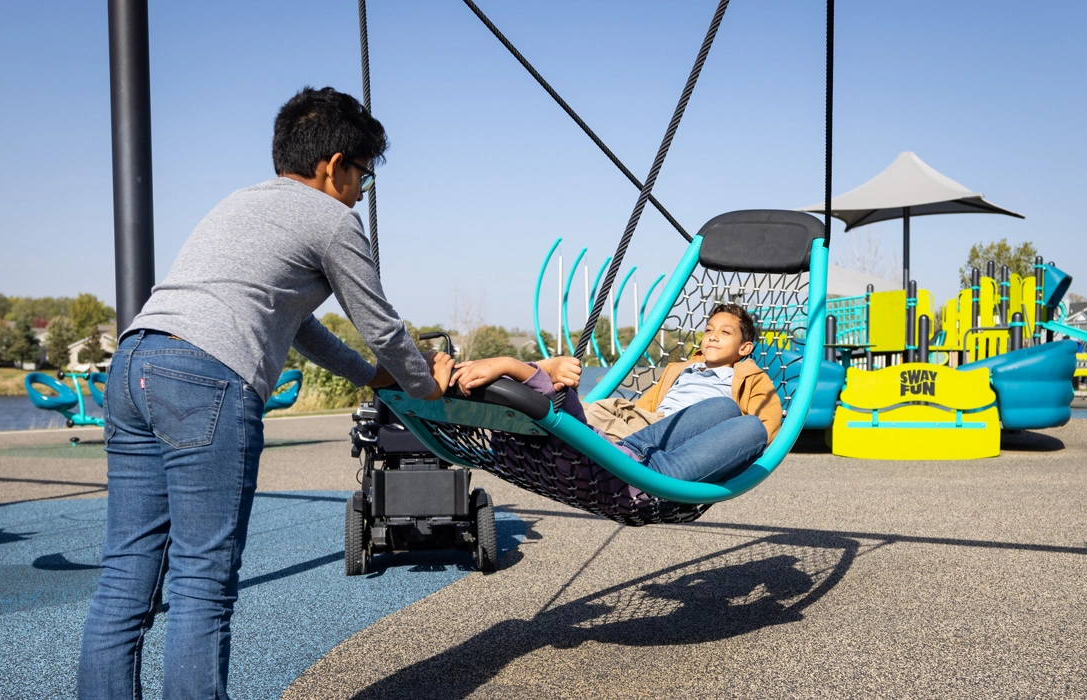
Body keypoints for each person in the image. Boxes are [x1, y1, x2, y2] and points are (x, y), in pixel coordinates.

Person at [77, 87, 454, 699]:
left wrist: (367, 376)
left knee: (125, 577)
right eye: (363, 174)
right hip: (206, 378)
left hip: (133, 364)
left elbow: (297, 325)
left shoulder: (241, 204)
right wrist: (422, 385)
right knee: (202, 582)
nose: (362, 189)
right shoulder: (333, 219)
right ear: (334, 165)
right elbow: (380, 324)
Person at [451, 303, 781, 483]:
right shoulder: (681, 368)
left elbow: (765, 421)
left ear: (745, 347)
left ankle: (528, 378)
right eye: (709, 330)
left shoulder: (747, 375)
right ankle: (531, 382)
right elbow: (645, 406)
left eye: (724, 333)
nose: (712, 337)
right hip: (646, 433)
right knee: (597, 408)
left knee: (726, 408)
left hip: (674, 435)